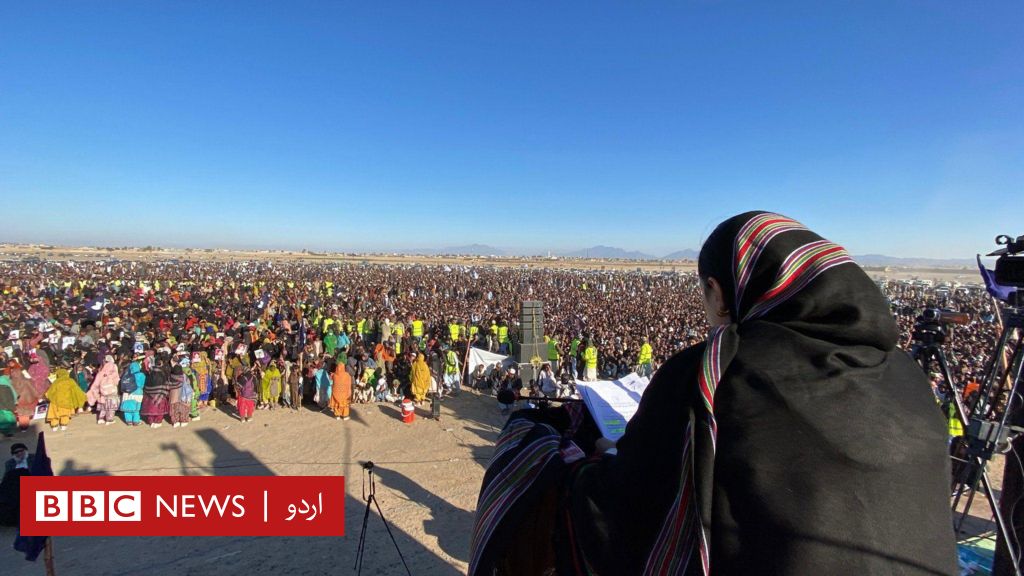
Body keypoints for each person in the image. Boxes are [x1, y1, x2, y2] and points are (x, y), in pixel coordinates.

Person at [469, 211, 956, 575]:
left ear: (721, 293)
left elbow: (624, 516)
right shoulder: (908, 374)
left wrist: (583, 459)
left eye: (705, 294)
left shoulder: (715, 371)